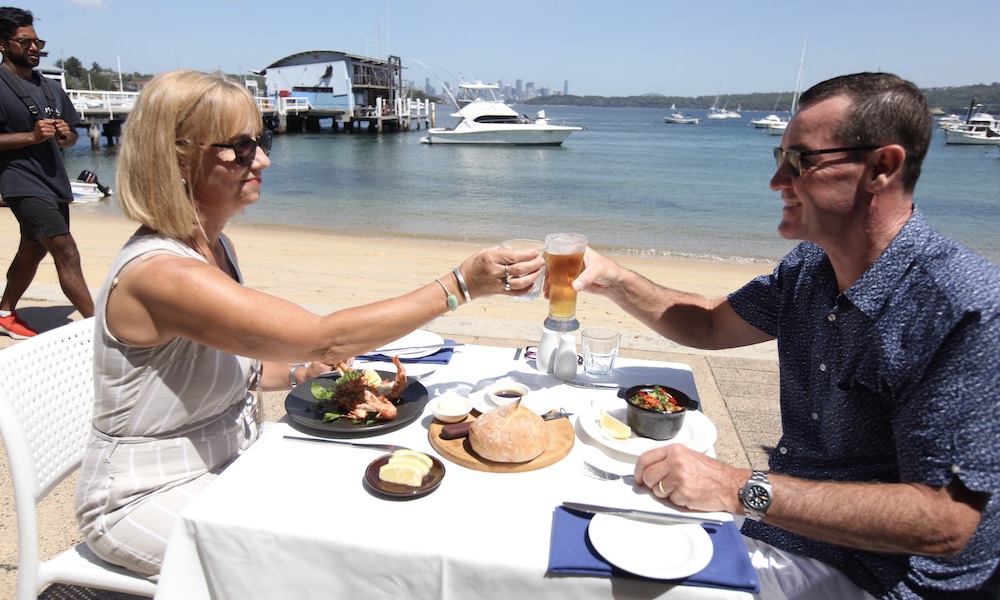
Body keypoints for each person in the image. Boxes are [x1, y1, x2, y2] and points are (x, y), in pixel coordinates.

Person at [73, 69, 545, 578]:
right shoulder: (163, 274)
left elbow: (244, 366)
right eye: (238, 147)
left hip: (234, 460)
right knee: (320, 568)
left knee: (371, 523)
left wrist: (303, 374)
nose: (263, 159)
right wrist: (461, 285)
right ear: (178, 158)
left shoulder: (216, 248)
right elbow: (323, 335)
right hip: (145, 494)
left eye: (261, 140)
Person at [573, 73, 999, 599]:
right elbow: (708, 322)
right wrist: (613, 277)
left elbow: (946, 521)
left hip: (891, 579)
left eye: (800, 160)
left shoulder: (961, 308)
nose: (777, 180)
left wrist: (736, 487)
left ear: (882, 168)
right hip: (792, 532)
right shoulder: (810, 267)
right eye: (779, 156)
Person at [0, 7, 94, 338]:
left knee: (34, 248)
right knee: (65, 250)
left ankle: (4, 312)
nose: (34, 48)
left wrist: (64, 133)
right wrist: (32, 136)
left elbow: (69, 140)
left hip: (54, 182)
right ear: (2, 43)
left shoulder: (51, 88)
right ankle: (99, 326)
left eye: (37, 41)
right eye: (25, 41)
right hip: (19, 180)